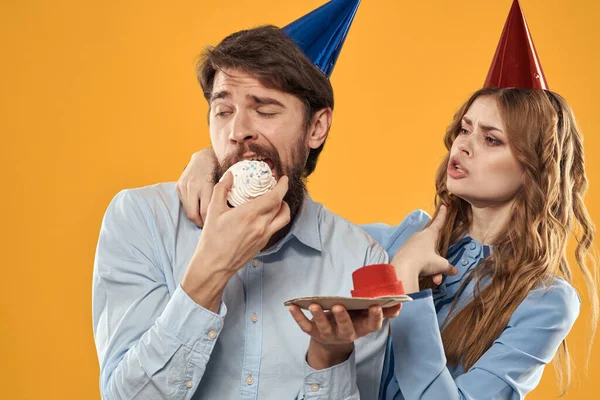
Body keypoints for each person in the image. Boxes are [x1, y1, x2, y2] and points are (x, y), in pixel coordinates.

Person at [176, 2, 598, 399]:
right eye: (465, 129)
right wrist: (213, 161)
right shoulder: (407, 235)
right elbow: (303, 229)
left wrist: (410, 286)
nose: (464, 146)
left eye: (491, 139)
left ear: (534, 169)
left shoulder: (547, 301)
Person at [92, 2, 411, 399]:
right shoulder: (141, 221)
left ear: (316, 127)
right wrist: (210, 269)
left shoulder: (358, 261)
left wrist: (331, 356)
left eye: (264, 109)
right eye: (223, 110)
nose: (237, 131)